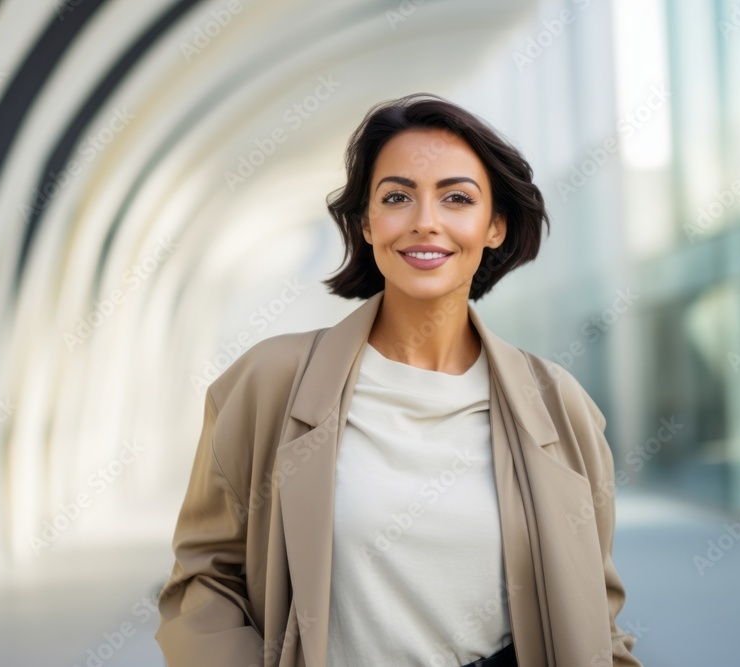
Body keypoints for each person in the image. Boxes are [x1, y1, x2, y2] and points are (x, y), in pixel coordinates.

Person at [155, 92, 643, 667]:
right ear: (366, 223)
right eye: (397, 198)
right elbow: (205, 582)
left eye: (457, 198)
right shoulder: (268, 384)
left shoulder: (560, 407)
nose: (425, 222)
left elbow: (597, 618)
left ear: (495, 226)